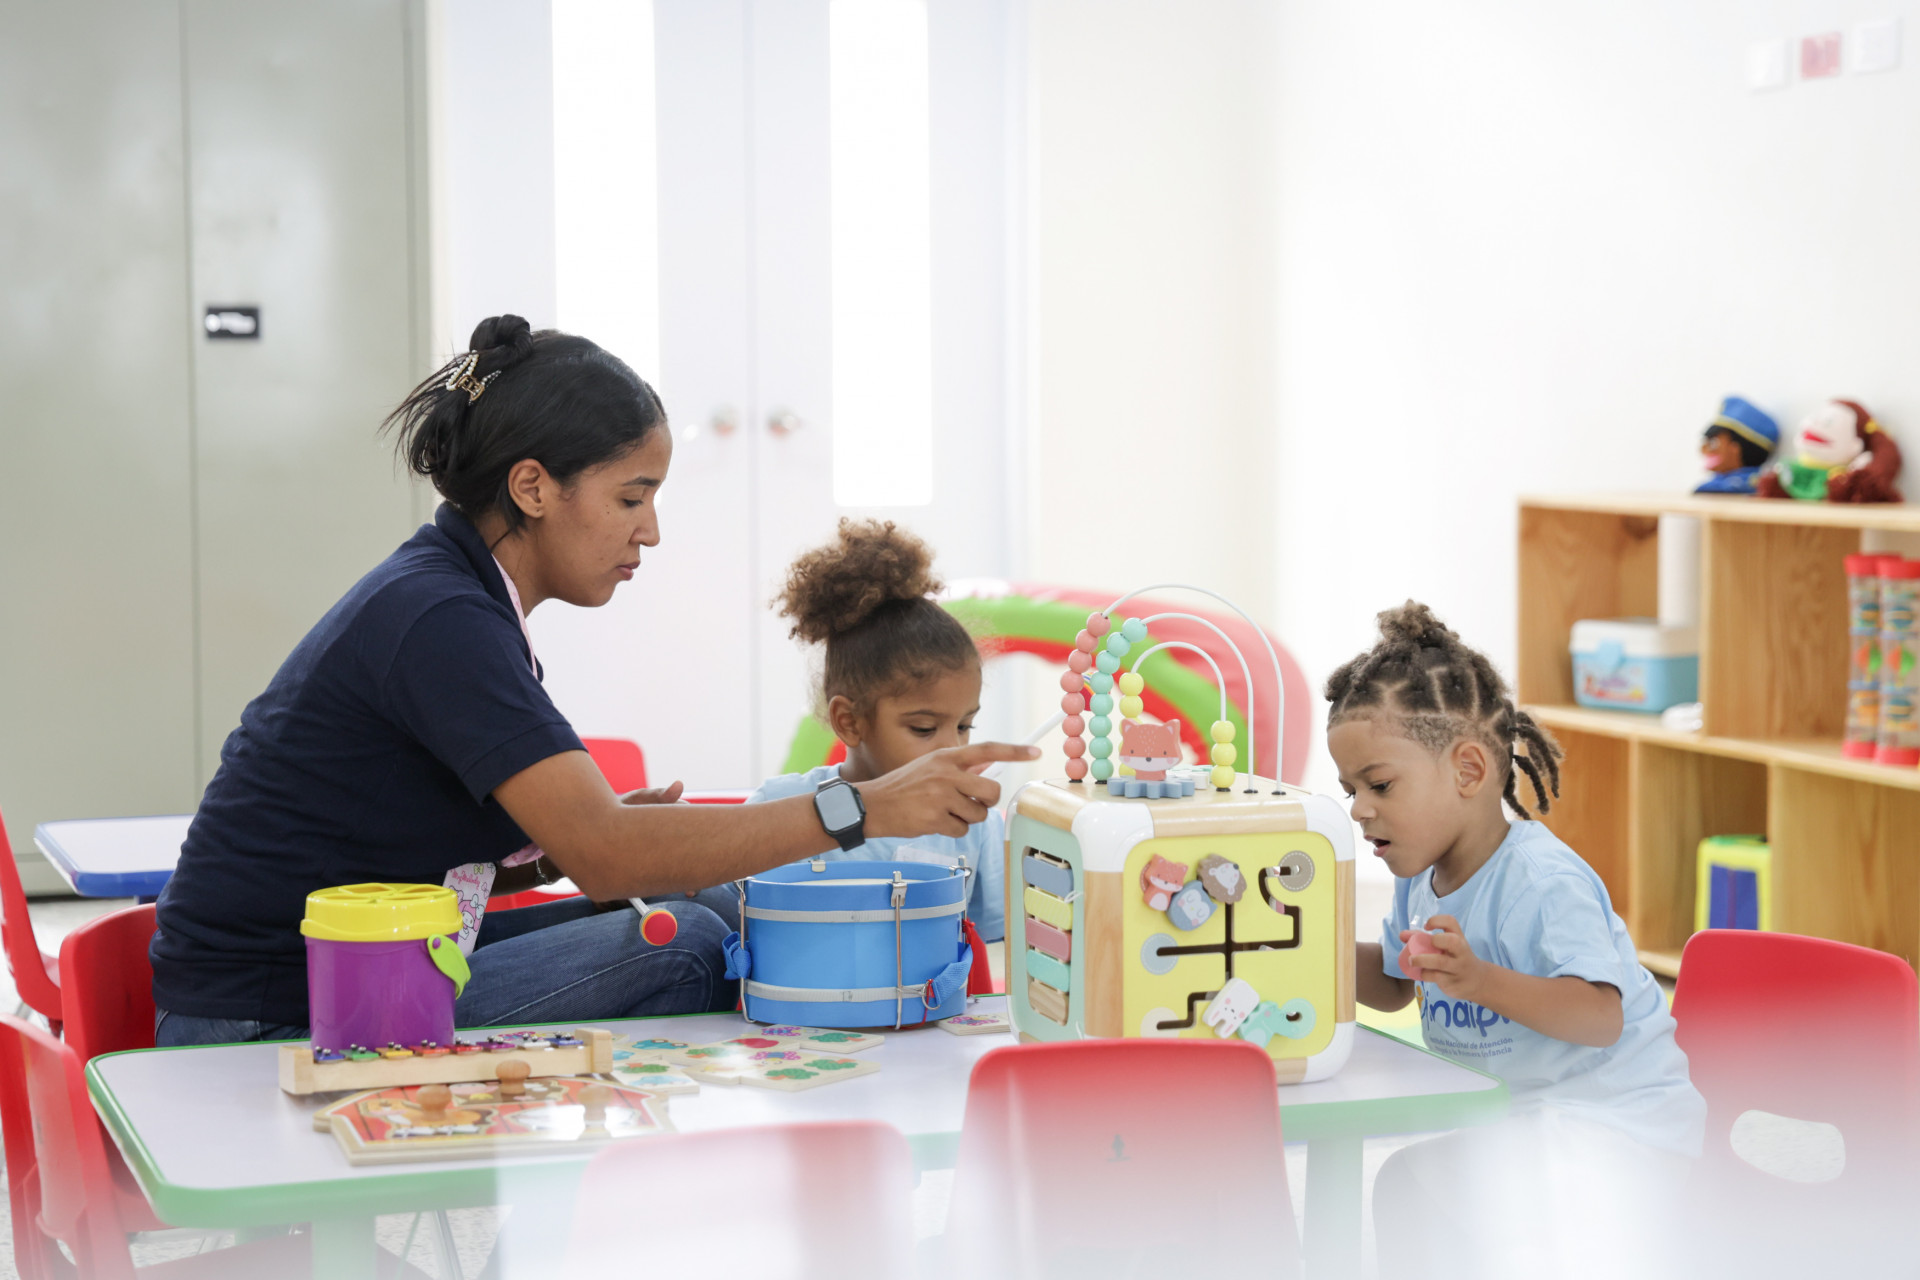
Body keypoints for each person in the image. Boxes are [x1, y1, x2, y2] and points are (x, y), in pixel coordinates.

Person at [149, 316, 1035, 1047]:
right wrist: (861, 809)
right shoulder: (440, 619)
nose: (650, 531)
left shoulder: (455, 599)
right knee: (690, 941)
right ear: (533, 488)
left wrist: (564, 852)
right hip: (278, 1009)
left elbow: (444, 849)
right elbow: (608, 854)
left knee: (708, 903)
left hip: (366, 959)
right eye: (630, 497)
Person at [1326, 601, 1704, 1278]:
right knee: (1409, 1187)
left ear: (1469, 771)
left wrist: (1479, 981)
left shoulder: (1542, 880)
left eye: (1379, 784)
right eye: (1350, 788)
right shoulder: (1421, 876)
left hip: (1618, 1127)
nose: (1359, 808)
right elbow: (1393, 984)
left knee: (1470, 1211)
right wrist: (1303, 952)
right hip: (1527, 1119)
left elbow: (1600, 1017)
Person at [744, 520, 1006, 942]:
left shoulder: (973, 825)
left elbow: (993, 947)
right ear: (849, 721)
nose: (952, 748)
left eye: (964, 725)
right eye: (924, 728)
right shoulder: (776, 809)